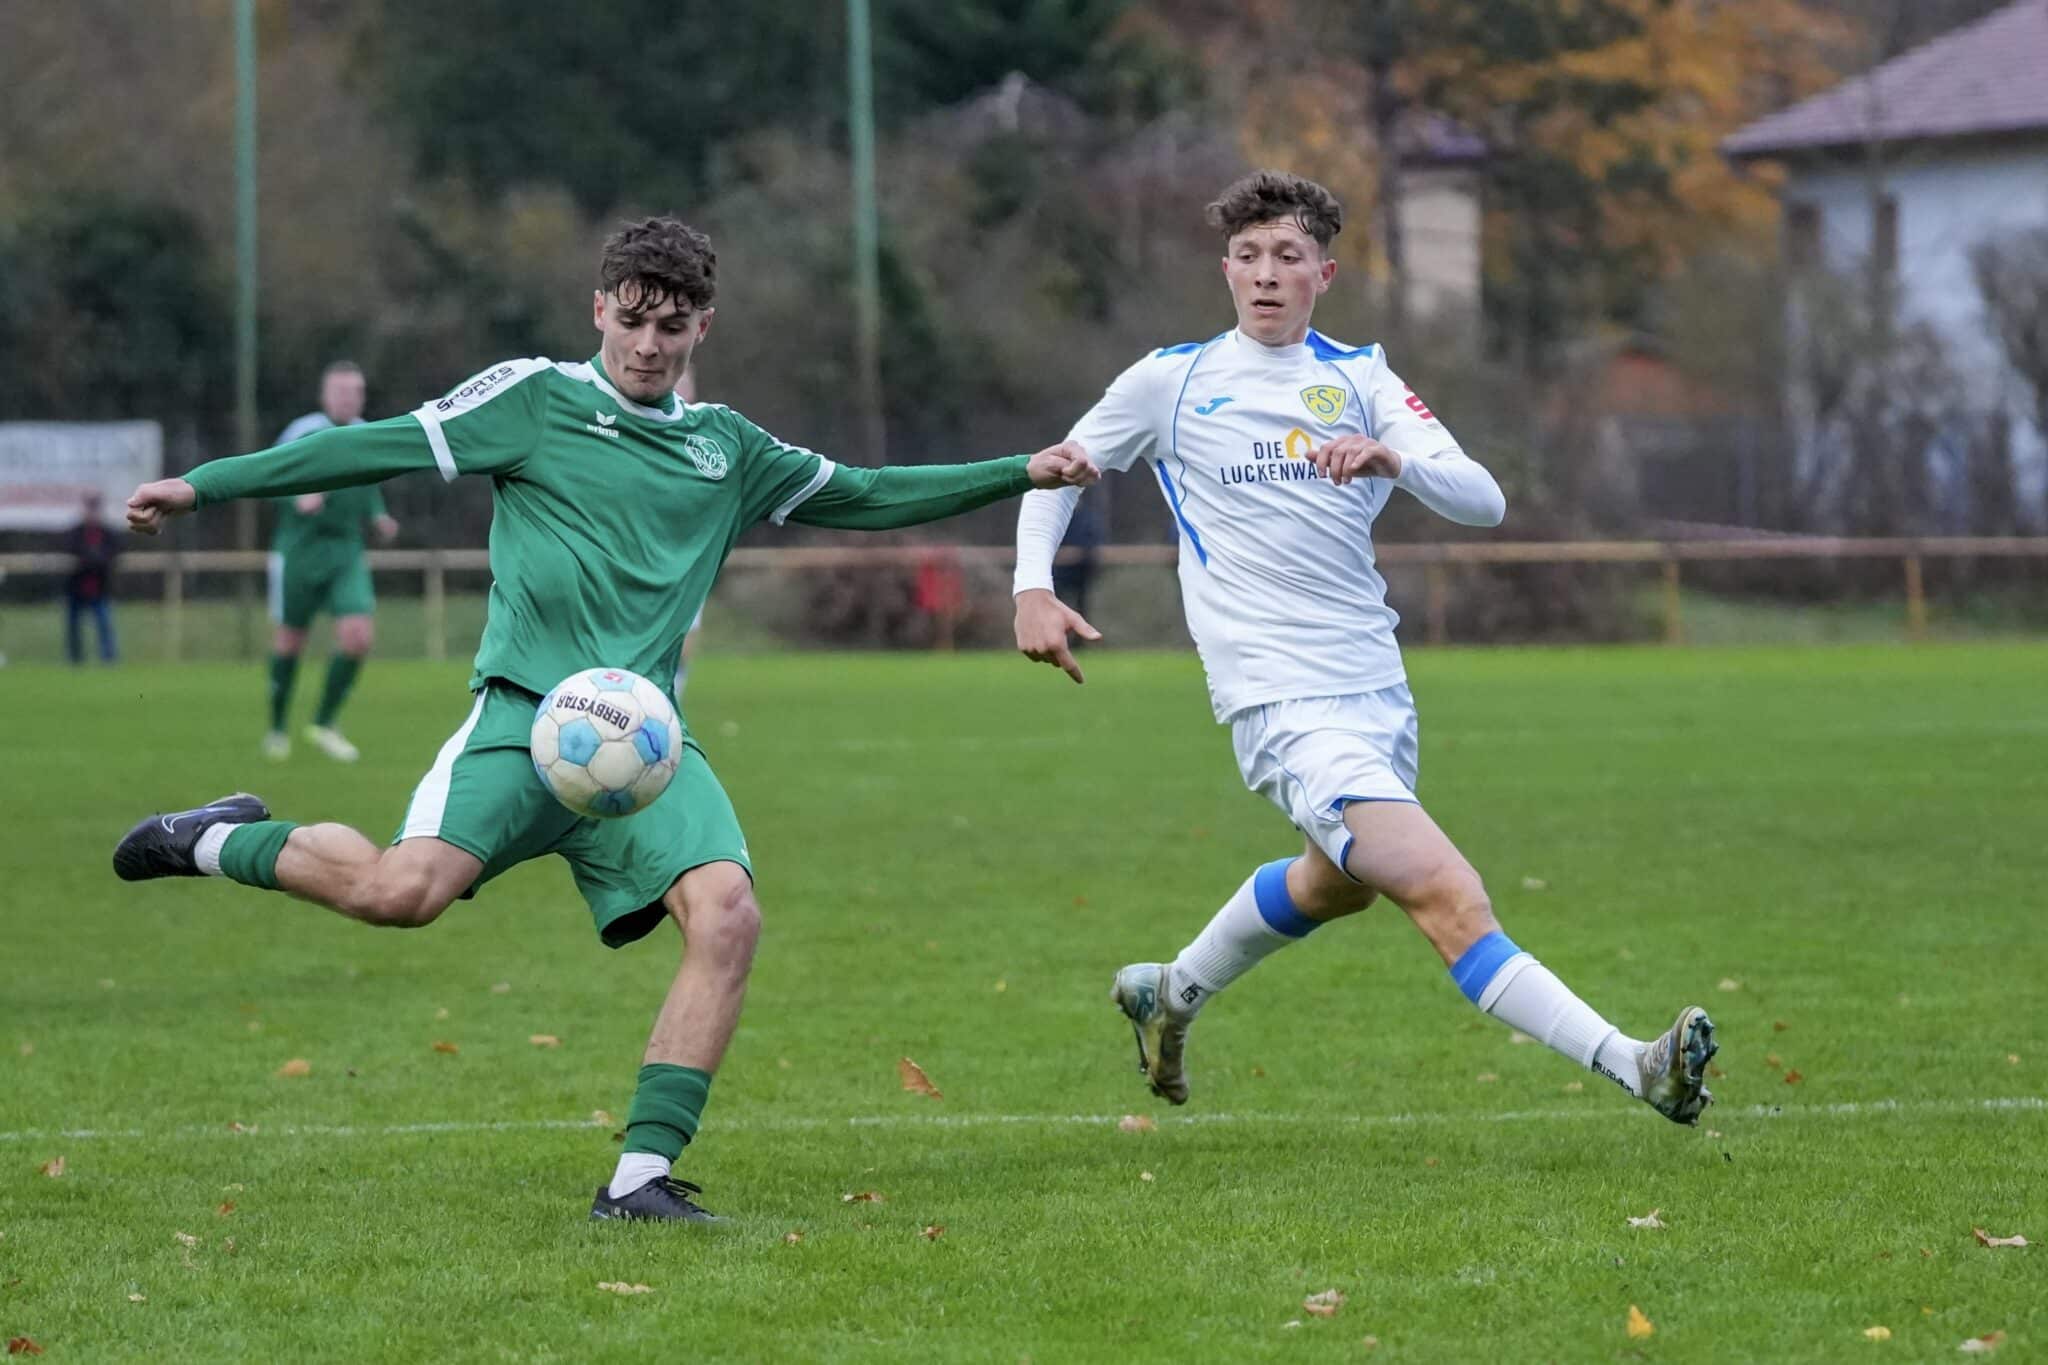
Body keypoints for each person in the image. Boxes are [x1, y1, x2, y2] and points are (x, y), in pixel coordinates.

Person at [115, 216, 1098, 1223]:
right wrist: (203, 487)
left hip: (648, 751)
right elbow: (378, 448)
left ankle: (638, 1183)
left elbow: (868, 493)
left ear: (701, 329)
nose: (646, 344)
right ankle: (213, 838)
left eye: (670, 327)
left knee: (728, 914)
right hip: (521, 725)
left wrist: (1019, 470)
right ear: (599, 308)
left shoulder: (728, 450)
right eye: (630, 319)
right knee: (396, 893)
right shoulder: (533, 399)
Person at [1011, 171, 1717, 1125]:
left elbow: (1485, 497)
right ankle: (1638, 1065)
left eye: (1288, 256)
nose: (1267, 274)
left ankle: (1170, 992)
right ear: (1225, 269)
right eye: (1250, 256)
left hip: (1376, 695)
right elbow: (1059, 471)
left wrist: (1396, 458)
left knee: (1334, 884)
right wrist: (1033, 587)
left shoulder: (1361, 379)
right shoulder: (1170, 381)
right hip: (1280, 704)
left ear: (1324, 273)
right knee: (1446, 892)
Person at [264, 361, 400, 761]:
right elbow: (267, 477)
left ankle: (323, 722)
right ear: (325, 395)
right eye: (341, 391)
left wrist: (378, 516)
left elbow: (367, 485)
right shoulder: (302, 433)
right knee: (290, 641)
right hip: (301, 553)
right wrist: (295, 497)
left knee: (358, 636)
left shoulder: (364, 434)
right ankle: (276, 727)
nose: (349, 398)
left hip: (346, 553)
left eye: (355, 391)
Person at [62, 490, 121, 664]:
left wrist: (93, 558)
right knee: (73, 628)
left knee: (105, 626)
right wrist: (92, 557)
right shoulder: (75, 532)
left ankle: (109, 661)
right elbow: (73, 552)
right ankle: (75, 662)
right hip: (76, 588)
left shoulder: (108, 533)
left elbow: (111, 554)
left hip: (100, 588)